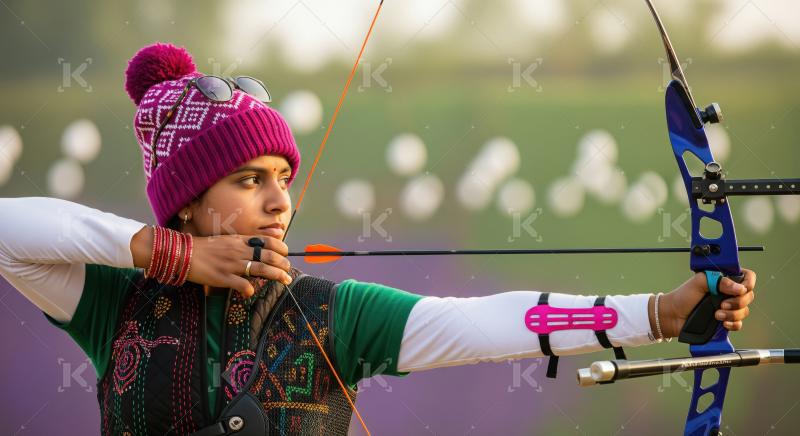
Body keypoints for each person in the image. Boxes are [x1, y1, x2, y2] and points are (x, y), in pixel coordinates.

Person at [0, 43, 757, 436]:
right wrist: (175, 258)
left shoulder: (332, 314)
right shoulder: (115, 305)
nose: (279, 201)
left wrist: (657, 314)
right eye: (248, 180)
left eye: (282, 178)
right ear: (188, 205)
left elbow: (485, 323)